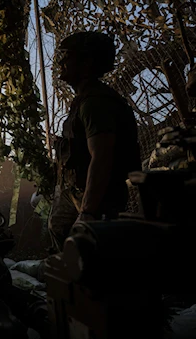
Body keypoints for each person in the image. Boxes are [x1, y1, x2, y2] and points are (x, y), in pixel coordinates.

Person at [48, 31, 141, 252]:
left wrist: (88, 211)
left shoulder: (95, 103)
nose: (62, 62)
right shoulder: (84, 101)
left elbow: (102, 156)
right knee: (63, 237)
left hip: (96, 200)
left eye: (68, 57)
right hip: (76, 192)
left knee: (91, 254)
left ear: (86, 63)